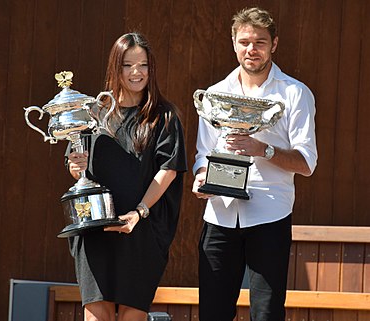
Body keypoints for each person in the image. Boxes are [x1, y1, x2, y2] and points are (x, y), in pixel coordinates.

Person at [192, 7, 317, 321]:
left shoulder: (295, 93)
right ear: (234, 44)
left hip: (269, 215)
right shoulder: (216, 94)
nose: (252, 49)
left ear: (273, 44)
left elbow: (306, 163)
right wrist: (202, 176)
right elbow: (202, 154)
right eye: (245, 41)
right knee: (212, 313)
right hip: (219, 214)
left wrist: (264, 150)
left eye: (260, 42)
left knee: (266, 314)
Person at [67, 32, 187, 321]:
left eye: (143, 65)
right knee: (97, 316)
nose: (136, 72)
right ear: (115, 67)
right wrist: (75, 165)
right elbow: (76, 168)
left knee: (132, 317)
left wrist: (138, 213)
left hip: (142, 232)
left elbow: (168, 170)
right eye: (127, 65)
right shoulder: (92, 112)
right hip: (96, 231)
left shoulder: (165, 116)